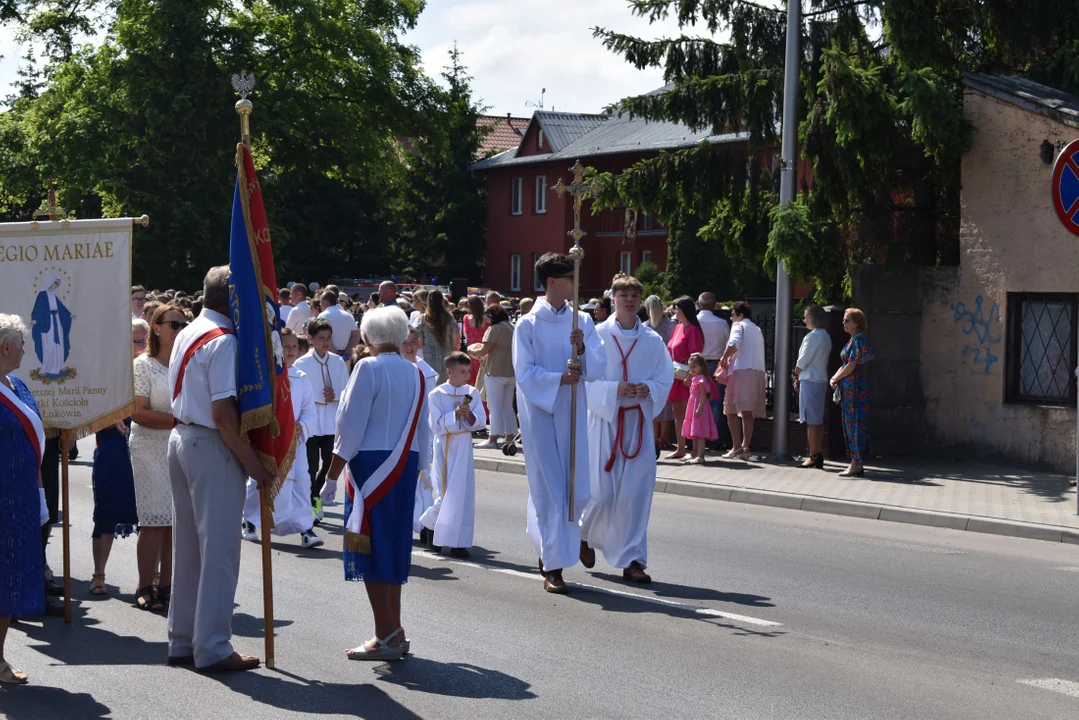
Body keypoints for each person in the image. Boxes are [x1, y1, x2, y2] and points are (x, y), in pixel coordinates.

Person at [167, 266, 273, 672]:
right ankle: (211, 647)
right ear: (230, 298)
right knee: (219, 551)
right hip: (211, 443)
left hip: (182, 438)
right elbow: (224, 414)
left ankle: (183, 640)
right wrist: (254, 464)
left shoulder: (189, 331)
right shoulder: (224, 340)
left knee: (189, 549)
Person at [324, 306, 430, 661]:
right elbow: (423, 429)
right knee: (393, 544)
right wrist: (421, 467)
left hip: (371, 465)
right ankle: (394, 629)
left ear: (368, 337)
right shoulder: (416, 373)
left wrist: (332, 475)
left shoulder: (368, 367)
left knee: (369, 544)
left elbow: (350, 425)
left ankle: (385, 634)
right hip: (404, 464)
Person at [514, 253, 605, 594]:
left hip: (574, 410)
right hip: (541, 415)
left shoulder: (582, 321)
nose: (576, 284)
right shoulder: (528, 325)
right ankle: (553, 565)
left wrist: (582, 349)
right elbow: (524, 373)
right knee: (551, 492)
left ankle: (570, 538)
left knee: (578, 490)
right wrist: (558, 380)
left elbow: (599, 366)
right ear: (552, 281)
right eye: (570, 278)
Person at [580, 274, 673, 584]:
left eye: (635, 295)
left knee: (636, 494)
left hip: (637, 423)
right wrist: (612, 390)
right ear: (614, 300)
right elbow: (584, 380)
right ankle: (582, 534)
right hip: (604, 422)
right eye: (624, 296)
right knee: (601, 492)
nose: (630, 300)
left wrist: (648, 389)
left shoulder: (653, 340)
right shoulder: (596, 335)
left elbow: (665, 377)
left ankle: (633, 559)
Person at [242, 329, 323, 548]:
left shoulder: (301, 377)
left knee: (302, 482)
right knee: (262, 481)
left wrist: (302, 426)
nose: (291, 351)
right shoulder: (265, 377)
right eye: (286, 346)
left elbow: (309, 410)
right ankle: (249, 519)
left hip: (295, 442)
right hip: (270, 438)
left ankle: (305, 527)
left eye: (295, 347)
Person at [0, 314, 47, 685]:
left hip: (21, 499)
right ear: (5, 348)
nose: (25, 349)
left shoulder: (17, 384)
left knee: (9, 578)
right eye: (21, 343)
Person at [130, 304, 186, 612]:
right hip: (149, 445)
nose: (179, 329)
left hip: (178, 446)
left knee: (174, 519)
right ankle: (143, 585)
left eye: (182, 324)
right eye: (173, 324)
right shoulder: (144, 365)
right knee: (153, 519)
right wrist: (180, 420)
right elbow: (137, 412)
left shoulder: (184, 363)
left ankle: (167, 584)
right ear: (157, 327)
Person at [87, 318, 144, 598]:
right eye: (135, 340)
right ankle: (99, 575)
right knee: (107, 513)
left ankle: (150, 578)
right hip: (113, 452)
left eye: (144, 340)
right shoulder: (107, 374)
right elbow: (90, 420)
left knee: (149, 516)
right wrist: (111, 421)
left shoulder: (153, 371)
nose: (141, 346)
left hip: (147, 451)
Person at [420, 352, 486, 558]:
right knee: (445, 492)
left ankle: (460, 543)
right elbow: (436, 426)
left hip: (464, 444)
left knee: (464, 494)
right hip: (445, 446)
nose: (466, 376)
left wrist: (469, 415)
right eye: (462, 371)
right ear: (449, 371)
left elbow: (481, 422)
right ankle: (431, 527)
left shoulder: (472, 392)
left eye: (468, 371)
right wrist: (454, 415)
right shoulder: (437, 394)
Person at [294, 318, 350, 521]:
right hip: (310, 423)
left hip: (331, 423)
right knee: (310, 466)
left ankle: (315, 498)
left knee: (328, 464)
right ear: (310, 339)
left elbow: (346, 390)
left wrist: (334, 396)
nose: (325, 342)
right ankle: (313, 504)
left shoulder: (337, 362)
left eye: (328, 338)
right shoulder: (302, 363)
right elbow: (300, 393)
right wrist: (320, 395)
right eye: (321, 338)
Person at [401, 327, 439, 545]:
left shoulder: (427, 371)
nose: (409, 346)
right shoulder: (394, 367)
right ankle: (406, 521)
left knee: (424, 479)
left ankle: (426, 525)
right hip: (400, 432)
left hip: (421, 430)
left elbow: (430, 405)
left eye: (413, 342)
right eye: (405, 342)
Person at [717, 301, 766, 461]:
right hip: (757, 370)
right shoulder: (756, 329)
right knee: (747, 412)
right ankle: (746, 447)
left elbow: (734, 343)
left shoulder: (739, 326)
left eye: (732, 314)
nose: (731, 318)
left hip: (740, 370)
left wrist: (724, 357)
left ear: (740, 315)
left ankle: (736, 446)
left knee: (730, 410)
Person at [831, 308, 873, 477]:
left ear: (856, 323)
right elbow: (846, 364)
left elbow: (851, 365)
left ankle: (856, 462)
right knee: (849, 424)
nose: (844, 323)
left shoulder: (858, 340)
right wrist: (835, 378)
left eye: (847, 320)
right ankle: (855, 462)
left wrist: (835, 378)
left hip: (855, 388)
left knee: (855, 423)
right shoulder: (852, 340)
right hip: (849, 387)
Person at [469, 305, 516, 449]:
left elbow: (483, 350)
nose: (487, 319)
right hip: (512, 372)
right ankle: (510, 436)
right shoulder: (512, 326)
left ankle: (493, 438)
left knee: (494, 407)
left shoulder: (495, 329)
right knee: (508, 406)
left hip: (495, 371)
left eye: (488, 316)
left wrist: (471, 350)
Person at [665, 296, 704, 460]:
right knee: (678, 412)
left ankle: (694, 450)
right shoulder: (678, 327)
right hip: (676, 375)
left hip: (687, 377)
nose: (674, 311)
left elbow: (696, 355)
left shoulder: (693, 330)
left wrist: (690, 375)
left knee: (691, 413)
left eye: (677, 308)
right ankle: (681, 448)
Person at [795, 304, 833, 470]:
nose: (804, 320)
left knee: (811, 419)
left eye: (805, 317)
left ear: (811, 318)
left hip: (810, 379)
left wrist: (795, 373)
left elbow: (803, 360)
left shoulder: (812, 336)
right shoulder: (825, 335)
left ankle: (813, 454)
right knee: (817, 418)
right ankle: (817, 452)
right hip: (820, 379)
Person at [697, 292, 730, 448]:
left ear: (698, 304)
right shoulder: (721, 323)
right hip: (716, 364)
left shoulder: (694, 322)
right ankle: (715, 439)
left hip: (697, 365)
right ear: (715, 305)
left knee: (697, 400)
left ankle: (697, 436)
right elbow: (727, 344)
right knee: (716, 401)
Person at [643, 295, 676, 452]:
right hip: (665, 366)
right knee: (665, 403)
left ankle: (655, 436)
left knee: (653, 401)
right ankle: (664, 436)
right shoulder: (671, 326)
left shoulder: (645, 326)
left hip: (649, 367)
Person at [412, 290, 460, 384]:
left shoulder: (423, 318)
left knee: (431, 385)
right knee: (446, 386)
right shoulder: (450, 318)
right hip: (447, 356)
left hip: (429, 357)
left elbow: (420, 343)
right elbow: (455, 341)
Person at [681, 354, 719, 465]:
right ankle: (695, 453)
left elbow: (703, 395)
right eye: (690, 367)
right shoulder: (695, 379)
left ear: (701, 367)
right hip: (694, 406)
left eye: (694, 367)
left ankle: (700, 456)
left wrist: (699, 408)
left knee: (700, 432)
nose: (691, 369)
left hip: (699, 407)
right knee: (695, 431)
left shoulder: (700, 379)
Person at [318, 289, 360, 357]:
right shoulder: (349, 316)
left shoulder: (323, 316)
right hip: (346, 357)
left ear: (326, 302)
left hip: (328, 355)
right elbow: (356, 335)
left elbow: (323, 336)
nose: (319, 304)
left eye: (321, 301)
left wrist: (335, 352)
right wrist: (347, 352)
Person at [463, 296, 489, 389]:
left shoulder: (466, 318)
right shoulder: (487, 319)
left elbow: (465, 334)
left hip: (472, 352)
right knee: (483, 379)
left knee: (471, 380)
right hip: (484, 351)